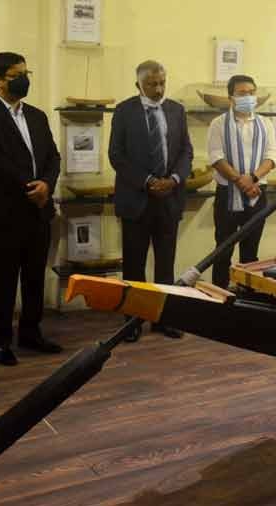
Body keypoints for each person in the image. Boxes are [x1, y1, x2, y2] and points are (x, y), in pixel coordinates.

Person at [0, 52, 63, 366]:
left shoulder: (37, 116)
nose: (24, 79)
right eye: (16, 74)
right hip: (5, 212)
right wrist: (31, 189)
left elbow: (53, 156)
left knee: (35, 276)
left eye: (26, 72)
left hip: (39, 210)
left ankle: (31, 332)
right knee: (3, 280)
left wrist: (47, 186)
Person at [108, 60, 193, 341]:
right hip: (136, 199)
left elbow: (186, 152)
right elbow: (117, 155)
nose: (158, 89)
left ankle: (163, 319)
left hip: (169, 199)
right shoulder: (124, 111)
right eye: (151, 84)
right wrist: (147, 181)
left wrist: (175, 180)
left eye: (162, 83)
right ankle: (132, 321)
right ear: (138, 85)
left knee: (166, 263)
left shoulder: (177, 110)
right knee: (134, 263)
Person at [207, 74, 276, 289]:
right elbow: (216, 157)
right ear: (231, 97)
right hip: (227, 193)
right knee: (223, 250)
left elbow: (271, 156)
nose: (248, 97)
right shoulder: (218, 124)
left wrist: (253, 178)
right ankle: (219, 298)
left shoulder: (265, 123)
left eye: (251, 93)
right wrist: (241, 181)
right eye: (242, 93)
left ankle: (248, 300)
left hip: (257, 194)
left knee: (250, 252)